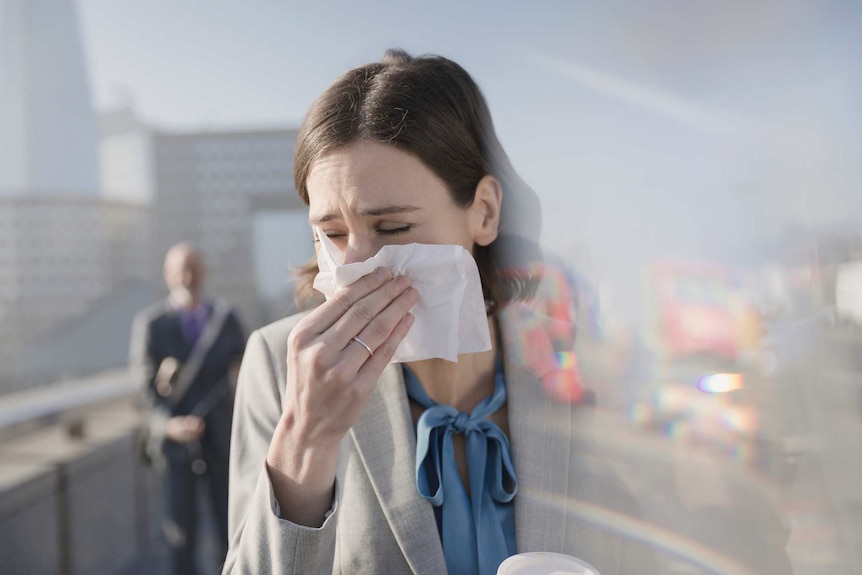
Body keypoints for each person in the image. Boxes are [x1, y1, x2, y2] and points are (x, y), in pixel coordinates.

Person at [130, 242, 247, 575]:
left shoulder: (226, 319)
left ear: (205, 272)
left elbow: (248, 370)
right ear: (167, 276)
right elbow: (143, 388)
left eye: (193, 267)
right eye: (180, 269)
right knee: (180, 536)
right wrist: (169, 425)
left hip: (223, 441)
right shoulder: (151, 325)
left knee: (232, 529)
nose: (187, 276)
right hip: (174, 446)